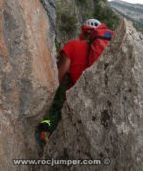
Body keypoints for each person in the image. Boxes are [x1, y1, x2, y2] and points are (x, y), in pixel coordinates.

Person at [36, 18, 114, 146]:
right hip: (97, 104)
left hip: (72, 103)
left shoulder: (73, 45)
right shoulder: (105, 52)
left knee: (51, 118)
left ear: (83, 31)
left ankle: (43, 135)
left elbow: (58, 79)